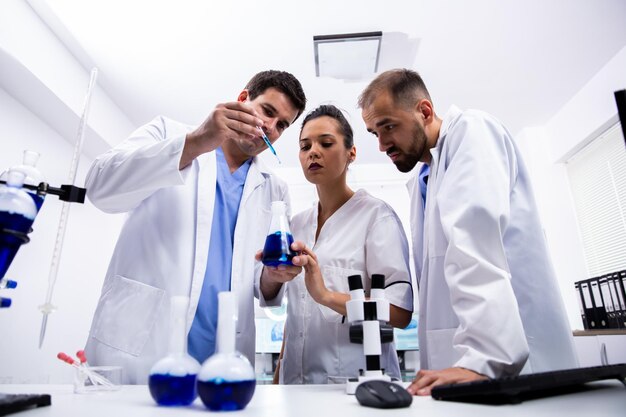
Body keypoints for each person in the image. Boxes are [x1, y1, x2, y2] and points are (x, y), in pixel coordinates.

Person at [358, 69, 578, 395]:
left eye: (388, 126)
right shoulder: (426, 176)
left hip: (508, 364)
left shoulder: (472, 132)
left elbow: (473, 246)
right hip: (464, 367)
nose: (381, 144)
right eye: (373, 132)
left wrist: (485, 358)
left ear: (425, 111)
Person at [84, 70, 307, 383]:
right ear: (242, 99)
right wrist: (198, 142)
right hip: (141, 347)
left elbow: (260, 284)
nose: (271, 127)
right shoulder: (168, 132)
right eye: (268, 111)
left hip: (221, 357)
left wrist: (273, 276)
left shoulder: (275, 189)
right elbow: (100, 187)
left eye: (282, 124)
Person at [269, 104, 414, 384]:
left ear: (351, 153)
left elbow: (400, 313)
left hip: (355, 387)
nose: (313, 151)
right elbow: (296, 315)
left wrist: (326, 296)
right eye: (305, 146)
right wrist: (277, 381)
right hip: (294, 388)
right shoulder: (296, 224)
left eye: (326, 143)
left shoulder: (376, 217)